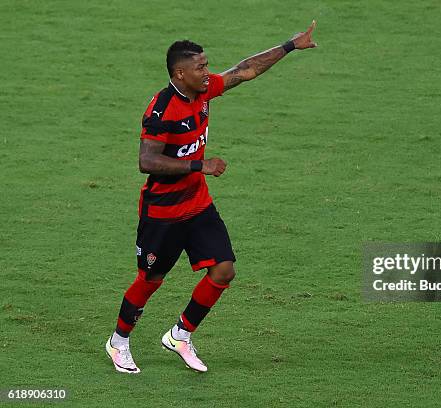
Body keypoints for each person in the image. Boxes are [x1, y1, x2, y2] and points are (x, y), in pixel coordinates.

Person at [105, 21, 317, 374]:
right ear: (179, 72)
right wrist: (198, 165)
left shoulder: (202, 91)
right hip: (163, 212)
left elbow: (245, 70)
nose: (207, 72)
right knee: (150, 280)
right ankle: (118, 342)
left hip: (198, 205)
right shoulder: (162, 109)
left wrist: (291, 45)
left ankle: (180, 334)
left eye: (206, 65)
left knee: (223, 270)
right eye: (200, 67)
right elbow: (147, 161)